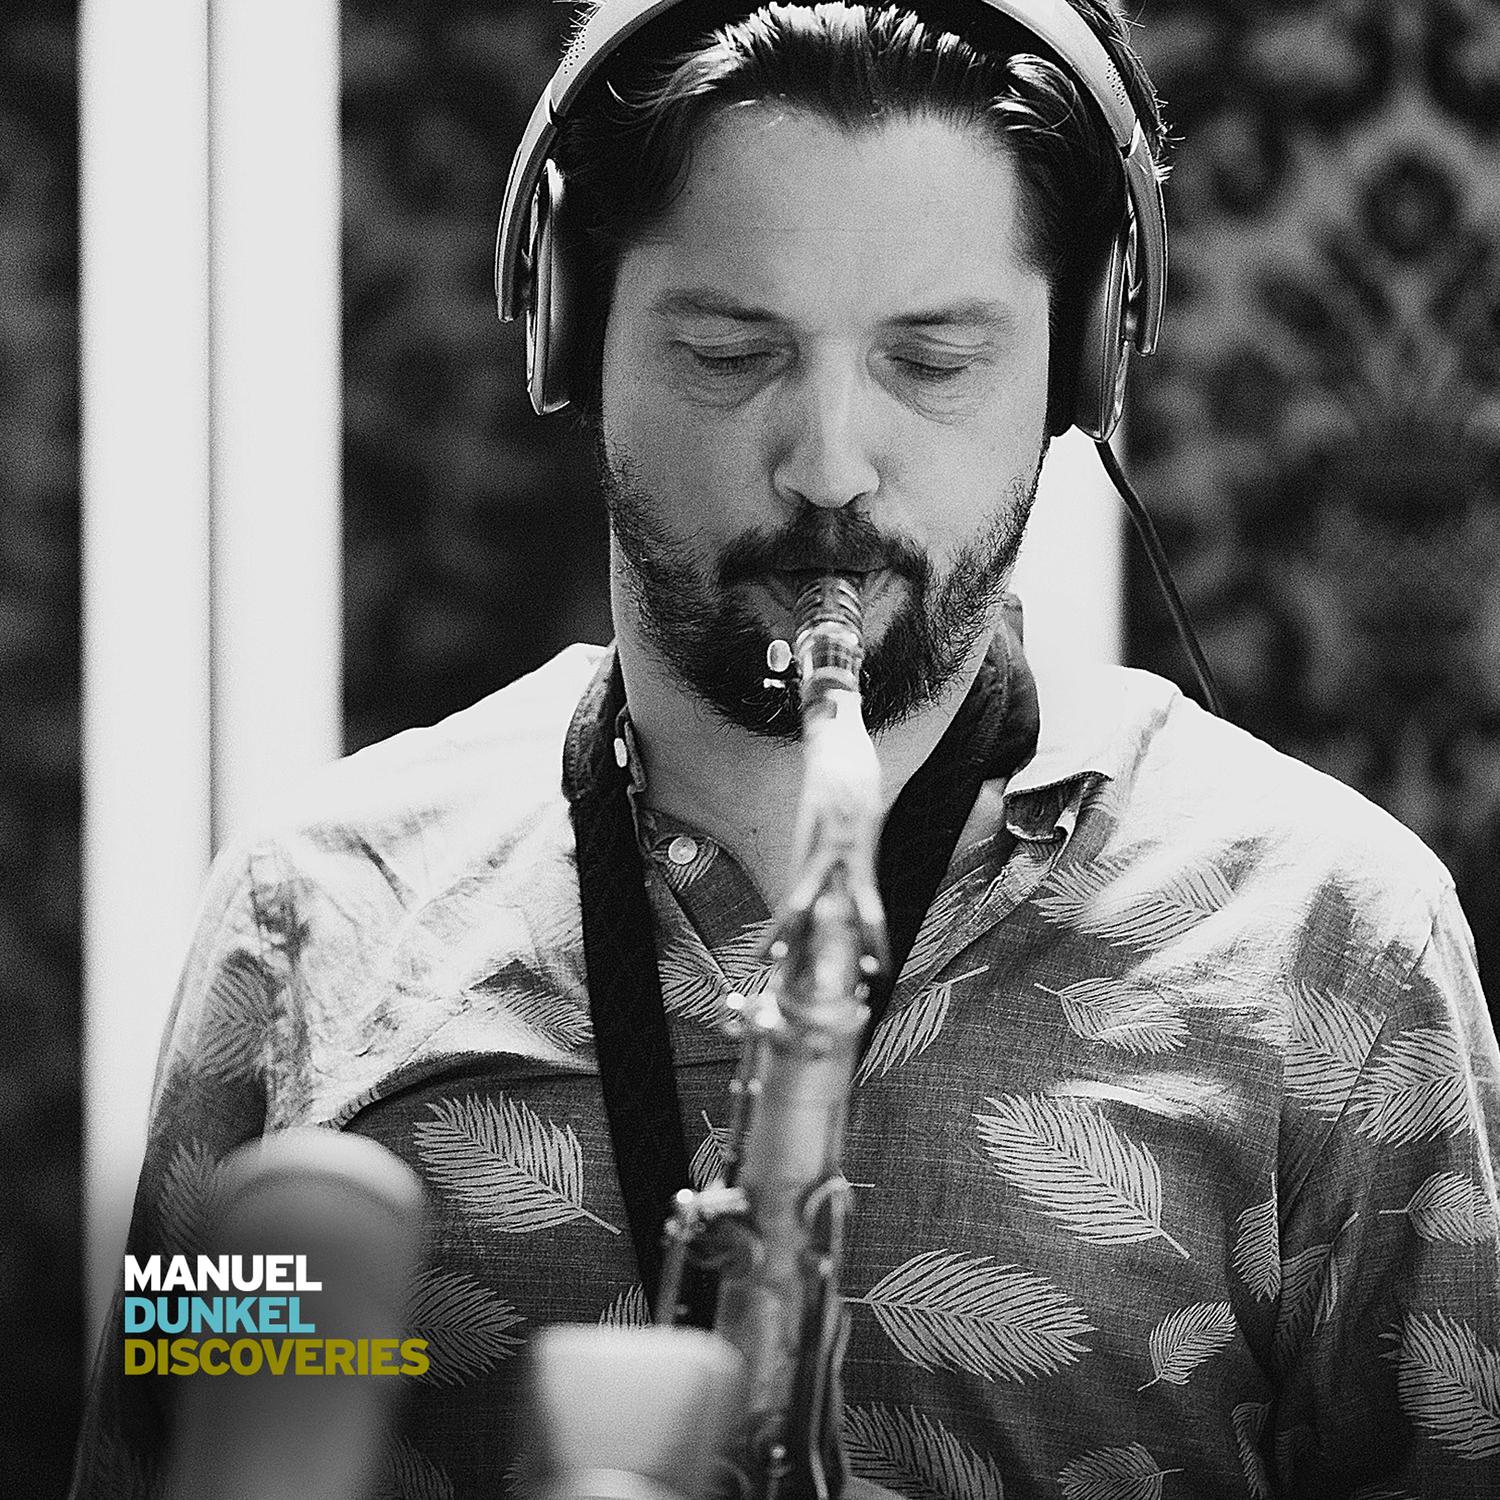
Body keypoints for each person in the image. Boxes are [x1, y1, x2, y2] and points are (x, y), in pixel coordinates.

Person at [72, 1, 1500, 1497]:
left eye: (933, 361)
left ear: (1082, 366)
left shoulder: (1339, 938)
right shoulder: (304, 917)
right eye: (729, 352)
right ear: (571, 331)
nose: (827, 465)